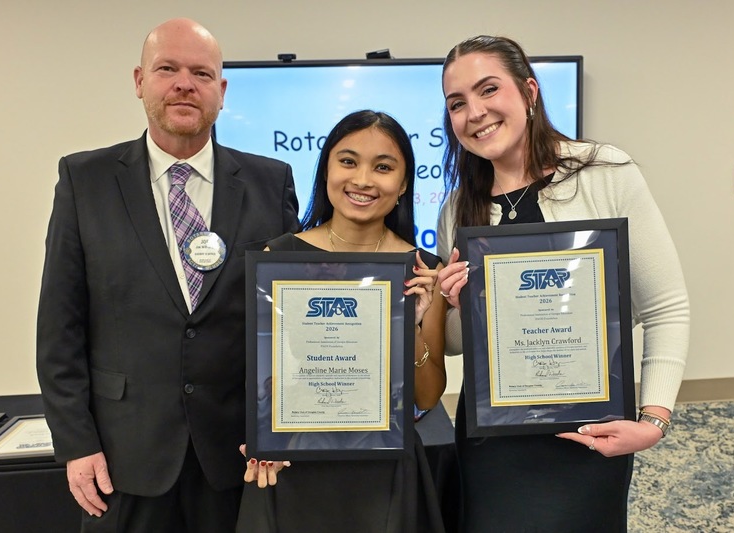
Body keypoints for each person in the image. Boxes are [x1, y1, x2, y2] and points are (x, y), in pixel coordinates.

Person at [36, 18, 299, 532]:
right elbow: (59, 329)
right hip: (123, 458)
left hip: (239, 458)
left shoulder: (271, 183)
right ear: (140, 82)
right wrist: (76, 443)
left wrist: (281, 429)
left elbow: (288, 323)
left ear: (220, 92)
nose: (184, 83)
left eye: (201, 73)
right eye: (167, 69)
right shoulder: (84, 180)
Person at [435, 35, 690, 532]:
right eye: (457, 103)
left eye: (489, 90)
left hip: (589, 433)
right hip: (492, 441)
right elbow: (458, 345)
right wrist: (454, 304)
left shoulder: (603, 172)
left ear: (529, 92)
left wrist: (653, 420)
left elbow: (667, 307)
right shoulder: (458, 209)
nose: (475, 112)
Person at [236, 110, 447, 533]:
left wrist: (411, 326)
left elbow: (426, 398)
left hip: (385, 474)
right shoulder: (278, 260)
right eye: (348, 161)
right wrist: (263, 438)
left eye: (383, 167)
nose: (363, 180)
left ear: (404, 183)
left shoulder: (424, 271)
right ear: (326, 169)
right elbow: (264, 378)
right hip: (295, 466)